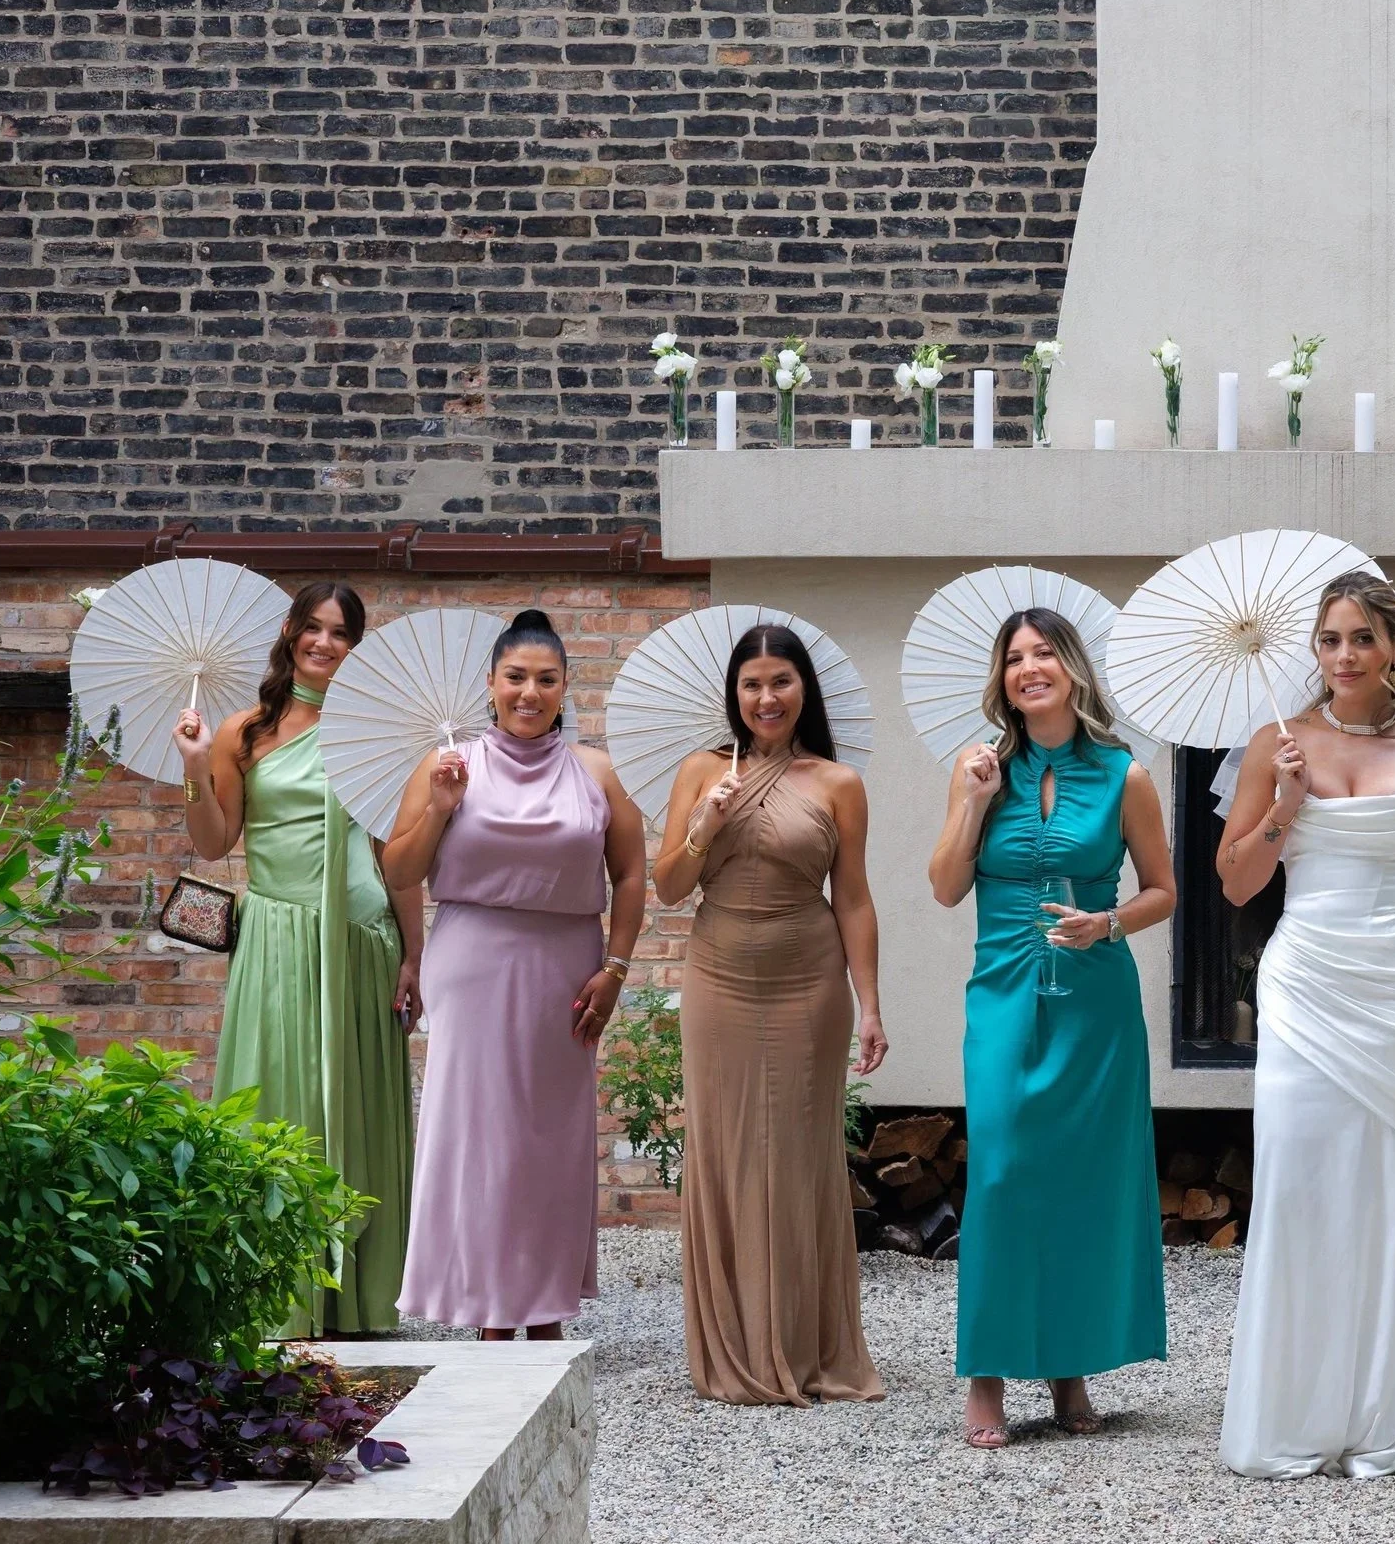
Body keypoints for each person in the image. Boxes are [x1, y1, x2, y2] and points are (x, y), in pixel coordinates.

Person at [1213, 572, 1395, 1479]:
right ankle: (1288, 1416)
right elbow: (1238, 882)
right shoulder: (1273, 745)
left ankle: (1373, 1421)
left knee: (1386, 1198)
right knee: (1294, 1185)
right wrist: (1286, 802)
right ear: (1314, 651)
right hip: (1304, 985)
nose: (1344, 655)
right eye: (1329, 639)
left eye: (1362, 638)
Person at [927, 606, 1175, 1449]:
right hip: (1000, 994)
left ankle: (1070, 1372)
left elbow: (1162, 890)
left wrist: (1106, 923)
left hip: (1094, 1002)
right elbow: (944, 886)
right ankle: (986, 1376)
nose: (1028, 668)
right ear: (1001, 679)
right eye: (1013, 658)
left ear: (1071, 667)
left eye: (1042, 654)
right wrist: (970, 802)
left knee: (1076, 1179)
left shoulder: (1123, 775)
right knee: (1000, 1171)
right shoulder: (979, 765)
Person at [383, 610, 647, 1341]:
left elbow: (629, 874)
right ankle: (487, 1309)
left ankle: (545, 1305)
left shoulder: (596, 770)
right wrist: (439, 809)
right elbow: (400, 869)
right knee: (478, 1137)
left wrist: (616, 967)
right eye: (515, 677)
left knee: (548, 1140)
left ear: (565, 688)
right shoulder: (448, 765)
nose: (529, 691)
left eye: (546, 678)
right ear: (491, 685)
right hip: (471, 962)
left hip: (566, 967)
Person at [173, 581, 419, 1336]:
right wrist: (191, 762)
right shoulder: (243, 731)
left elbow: (392, 856)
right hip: (276, 938)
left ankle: (360, 1301)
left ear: (356, 646)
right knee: (275, 1103)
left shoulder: (373, 730)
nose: (323, 643)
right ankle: (273, 1296)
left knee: (357, 1107)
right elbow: (215, 843)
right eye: (312, 628)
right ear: (289, 632)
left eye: (340, 633)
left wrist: (416, 955)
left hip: (358, 937)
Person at [652, 623, 888, 1406]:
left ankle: (801, 1342)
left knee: (797, 1154)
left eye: (781, 681)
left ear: (803, 690)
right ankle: (731, 1346)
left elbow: (851, 896)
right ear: (735, 694)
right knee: (722, 1149)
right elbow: (668, 887)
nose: (766, 697)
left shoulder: (837, 783)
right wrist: (702, 826)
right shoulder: (699, 771)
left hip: (807, 979)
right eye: (752, 684)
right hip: (719, 974)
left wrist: (871, 1002)